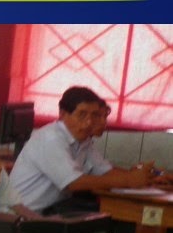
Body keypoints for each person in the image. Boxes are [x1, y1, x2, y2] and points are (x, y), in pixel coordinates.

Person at [10, 86, 159, 213]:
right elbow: (74, 183)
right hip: (22, 216)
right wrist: (128, 180)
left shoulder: (83, 140)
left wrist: (148, 179)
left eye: (94, 115)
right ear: (62, 114)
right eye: (82, 115)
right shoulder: (51, 139)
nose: (89, 122)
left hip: (52, 209)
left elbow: (105, 170)